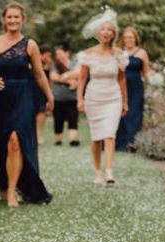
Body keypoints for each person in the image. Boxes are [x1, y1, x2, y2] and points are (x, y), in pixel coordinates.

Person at [0, 2, 55, 207]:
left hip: (23, 97)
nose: (12, 20)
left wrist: (49, 96)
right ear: (4, 19)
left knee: (15, 141)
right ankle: (3, 185)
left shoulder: (30, 45)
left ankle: (12, 191)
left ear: (23, 20)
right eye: (9, 17)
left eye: (16, 17)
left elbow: (38, 74)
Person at [76, 7, 129, 184]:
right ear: (98, 33)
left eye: (109, 29)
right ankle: (97, 171)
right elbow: (82, 79)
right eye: (103, 29)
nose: (106, 32)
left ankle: (109, 172)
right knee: (96, 137)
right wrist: (80, 100)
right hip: (93, 98)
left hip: (113, 97)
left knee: (110, 134)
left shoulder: (120, 54)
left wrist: (125, 102)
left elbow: (122, 79)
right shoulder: (88, 54)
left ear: (113, 33)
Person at [116, 26, 151, 151]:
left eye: (130, 37)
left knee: (134, 114)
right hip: (121, 87)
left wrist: (153, 82)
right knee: (121, 114)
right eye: (125, 38)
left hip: (136, 88)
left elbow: (146, 71)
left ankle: (132, 143)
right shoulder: (119, 52)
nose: (127, 40)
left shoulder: (142, 53)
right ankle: (121, 143)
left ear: (135, 38)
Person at [49, 41, 81, 146]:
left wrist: (65, 76)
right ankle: (58, 140)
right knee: (58, 120)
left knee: (73, 119)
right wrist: (70, 81)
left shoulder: (74, 63)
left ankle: (73, 140)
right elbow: (53, 77)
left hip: (72, 98)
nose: (58, 56)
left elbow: (78, 73)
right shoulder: (55, 65)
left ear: (67, 53)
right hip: (57, 98)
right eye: (57, 54)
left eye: (60, 53)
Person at [33, 44, 53, 144]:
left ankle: (39, 135)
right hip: (32, 90)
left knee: (41, 112)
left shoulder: (47, 65)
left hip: (42, 91)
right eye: (47, 55)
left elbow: (48, 80)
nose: (48, 58)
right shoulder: (33, 62)